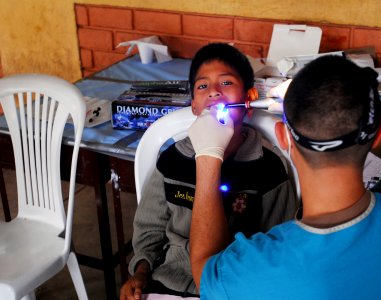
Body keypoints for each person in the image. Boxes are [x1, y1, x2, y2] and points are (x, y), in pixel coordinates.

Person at [188, 55, 381, 299]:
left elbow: (204, 270)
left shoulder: (258, 268)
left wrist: (208, 156)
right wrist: (343, 109)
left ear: (283, 137)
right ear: (376, 135)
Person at [120, 43, 298, 299]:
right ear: (194, 105)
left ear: (248, 100)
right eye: (203, 86)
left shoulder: (268, 169)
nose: (214, 92)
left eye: (226, 83)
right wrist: (140, 272)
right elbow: (150, 229)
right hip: (166, 283)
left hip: (233, 289)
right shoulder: (172, 161)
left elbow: (277, 246)